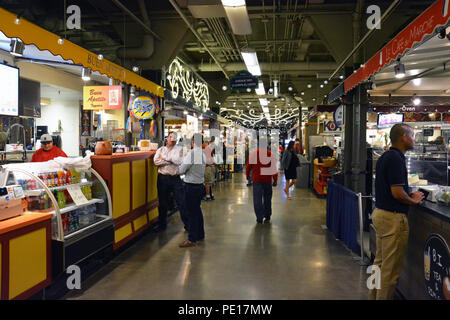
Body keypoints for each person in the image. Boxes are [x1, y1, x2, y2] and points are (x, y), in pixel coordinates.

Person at [369, 124, 424, 300]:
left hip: (381, 214)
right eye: (412, 136)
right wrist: (413, 200)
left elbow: (392, 189)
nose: (414, 139)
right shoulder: (397, 159)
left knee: (379, 264)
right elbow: (396, 193)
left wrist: (407, 194)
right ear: (404, 138)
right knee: (390, 271)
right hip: (393, 219)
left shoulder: (386, 156)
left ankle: (373, 296)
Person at [153, 132, 188, 232]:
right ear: (167, 138)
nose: (172, 140)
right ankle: (162, 225)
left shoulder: (179, 150)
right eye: (170, 137)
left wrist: (163, 159)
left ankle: (188, 226)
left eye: (174, 139)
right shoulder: (160, 149)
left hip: (175, 178)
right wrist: (170, 161)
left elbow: (177, 161)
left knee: (181, 202)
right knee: (162, 203)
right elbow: (156, 161)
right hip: (162, 178)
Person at [178, 133, 206, 247]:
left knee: (191, 213)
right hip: (199, 185)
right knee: (197, 211)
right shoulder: (202, 154)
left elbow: (182, 169)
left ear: (193, 142)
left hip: (191, 186)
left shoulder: (193, 153)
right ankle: (200, 234)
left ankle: (192, 239)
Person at [246, 136, 278, 224]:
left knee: (257, 199)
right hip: (267, 180)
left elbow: (248, 166)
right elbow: (274, 168)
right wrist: (275, 180)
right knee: (267, 199)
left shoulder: (253, 154)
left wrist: (247, 176)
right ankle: (267, 216)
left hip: (257, 180)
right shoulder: (270, 154)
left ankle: (259, 218)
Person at [204, 137, 216, 201]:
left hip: (208, 167)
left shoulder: (206, 149)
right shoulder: (209, 148)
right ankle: (211, 194)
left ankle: (208, 196)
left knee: (207, 183)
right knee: (210, 182)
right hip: (211, 166)